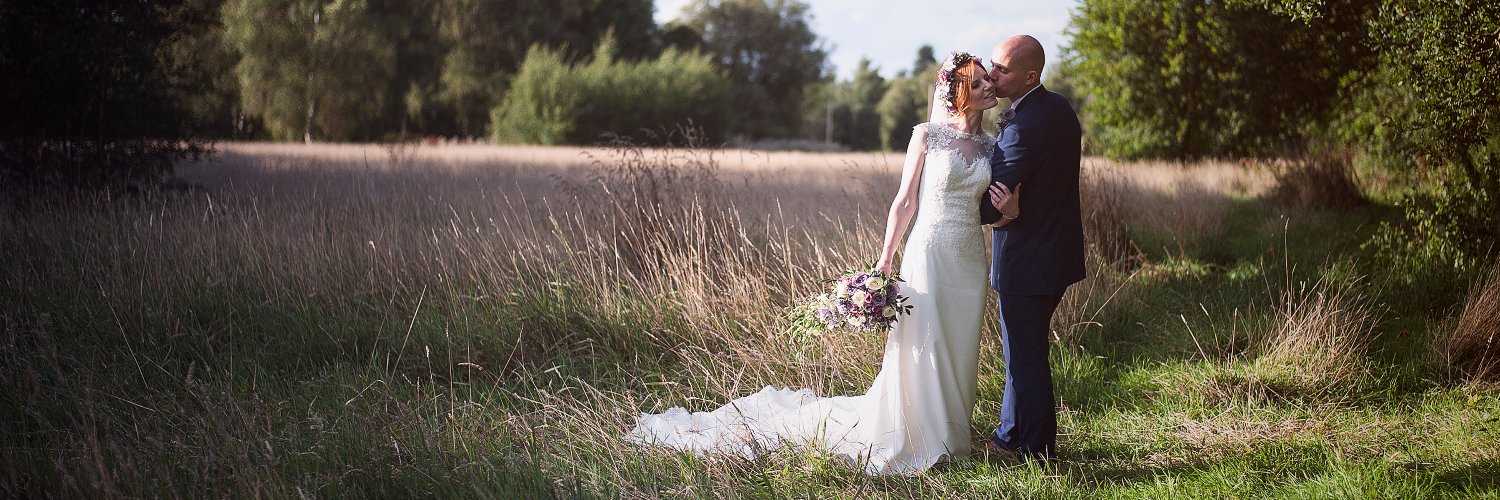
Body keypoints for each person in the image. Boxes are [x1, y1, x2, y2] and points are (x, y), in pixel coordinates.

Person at [624, 51, 1013, 475]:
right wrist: (884, 260)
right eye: (977, 84)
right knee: (926, 340)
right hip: (930, 250)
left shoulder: (995, 146)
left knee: (960, 341)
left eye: (986, 81)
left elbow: (1000, 211)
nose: (989, 86)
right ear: (958, 94)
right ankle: (921, 436)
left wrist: (1009, 211)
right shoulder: (927, 136)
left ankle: (953, 437)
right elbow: (904, 202)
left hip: (970, 257)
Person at [977, 35, 1087, 463]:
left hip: (1028, 260)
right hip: (1056, 255)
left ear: (1030, 75)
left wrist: (1001, 209)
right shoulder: (1057, 107)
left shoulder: (1024, 126)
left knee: (1026, 357)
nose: (992, 74)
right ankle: (1009, 434)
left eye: (1002, 69)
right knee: (1022, 350)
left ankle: (1037, 449)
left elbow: (990, 203)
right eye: (992, 65)